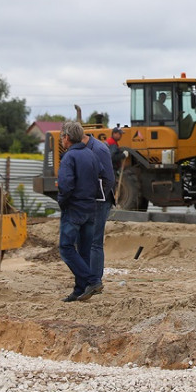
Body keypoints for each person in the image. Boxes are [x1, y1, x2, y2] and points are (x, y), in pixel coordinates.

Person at [56, 121, 102, 302]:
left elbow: (66, 185)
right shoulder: (91, 154)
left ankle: (92, 280)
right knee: (84, 251)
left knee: (66, 248)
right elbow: (102, 174)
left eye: (62, 137)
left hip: (74, 209)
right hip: (90, 208)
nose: (61, 140)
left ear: (67, 138)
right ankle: (79, 290)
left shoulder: (69, 157)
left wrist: (62, 202)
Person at [81, 129, 116, 297]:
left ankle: (94, 281)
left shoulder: (100, 149)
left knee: (94, 241)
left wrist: (95, 198)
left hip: (99, 201)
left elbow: (109, 180)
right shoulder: (83, 149)